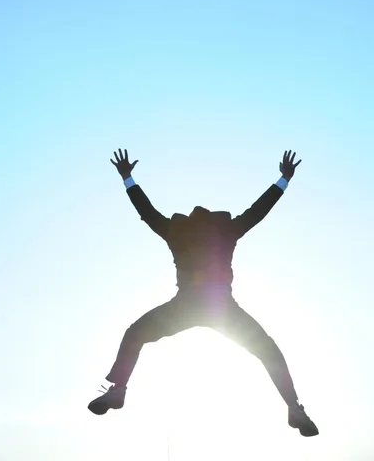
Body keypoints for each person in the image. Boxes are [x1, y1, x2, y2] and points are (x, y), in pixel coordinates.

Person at [88, 149, 318, 437]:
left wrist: (127, 178)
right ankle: (294, 407)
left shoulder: (177, 232)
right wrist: (283, 180)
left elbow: (147, 212)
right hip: (221, 308)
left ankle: (118, 389)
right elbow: (258, 211)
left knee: (136, 333)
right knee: (267, 349)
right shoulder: (226, 231)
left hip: (185, 307)